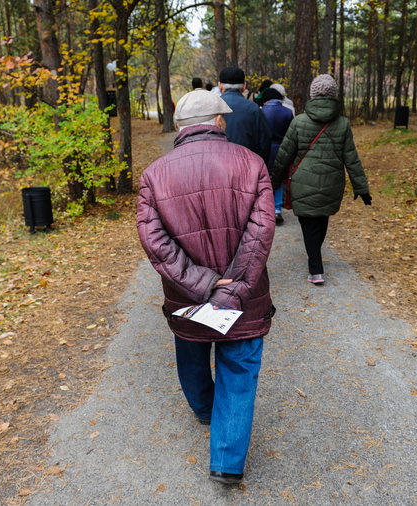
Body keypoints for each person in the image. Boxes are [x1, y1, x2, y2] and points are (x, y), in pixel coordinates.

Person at [137, 90, 276, 485]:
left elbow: (155, 243)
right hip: (245, 297)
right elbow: (261, 232)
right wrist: (229, 289)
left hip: (186, 298)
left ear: (180, 128)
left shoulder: (154, 174)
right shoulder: (251, 164)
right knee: (239, 366)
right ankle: (226, 464)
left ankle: (204, 409)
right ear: (218, 122)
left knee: (192, 352)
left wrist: (203, 284)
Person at [271, 74, 371, 285]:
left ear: (312, 95)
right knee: (321, 220)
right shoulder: (343, 124)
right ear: (334, 95)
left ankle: (315, 269)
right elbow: (351, 158)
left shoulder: (299, 122)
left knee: (309, 224)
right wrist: (361, 186)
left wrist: (274, 181)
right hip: (331, 183)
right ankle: (314, 256)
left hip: (302, 183)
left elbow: (284, 156)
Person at [218, 67, 272, 167]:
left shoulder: (212, 107)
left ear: (219, 85)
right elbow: (265, 141)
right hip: (248, 168)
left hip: (218, 168)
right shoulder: (254, 109)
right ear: (244, 86)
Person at [261, 87, 294, 224]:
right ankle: (277, 210)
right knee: (278, 179)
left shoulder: (261, 111)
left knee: (264, 179)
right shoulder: (287, 112)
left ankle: (264, 209)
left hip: (265, 148)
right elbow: (291, 134)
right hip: (282, 149)